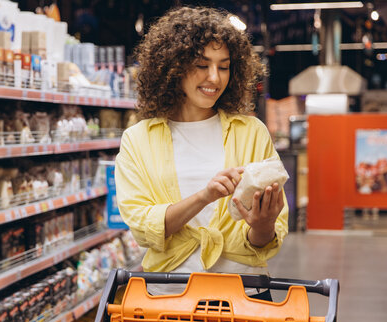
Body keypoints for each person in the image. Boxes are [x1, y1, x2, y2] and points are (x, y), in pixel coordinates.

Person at [115, 6, 288, 300]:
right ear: (173, 65)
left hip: (242, 297)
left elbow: (265, 240)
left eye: (223, 66)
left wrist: (263, 225)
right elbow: (144, 227)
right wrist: (204, 197)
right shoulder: (138, 139)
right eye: (201, 64)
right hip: (169, 296)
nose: (214, 78)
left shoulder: (251, 132)